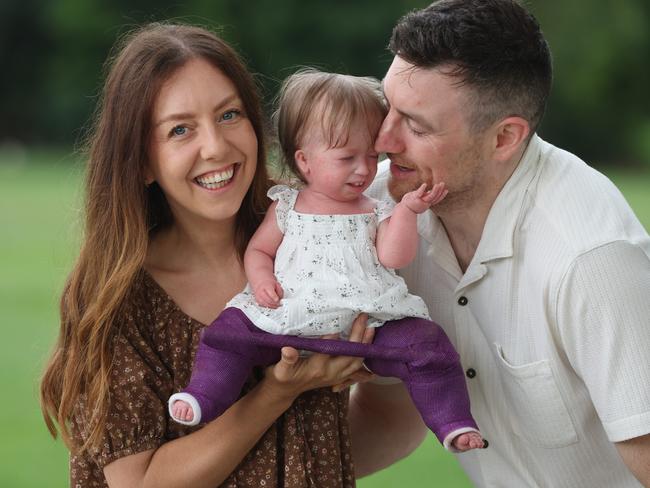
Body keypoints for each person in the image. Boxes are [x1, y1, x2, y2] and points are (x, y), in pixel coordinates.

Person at [38, 23, 420, 488]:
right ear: (141, 161)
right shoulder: (119, 300)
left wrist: (380, 364)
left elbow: (387, 422)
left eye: (229, 115)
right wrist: (276, 393)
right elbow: (138, 483)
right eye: (180, 129)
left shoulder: (315, 235)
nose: (216, 147)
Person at [367, 0, 650, 486]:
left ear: (504, 138)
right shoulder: (382, 205)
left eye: (416, 125)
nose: (382, 140)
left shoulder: (591, 259)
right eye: (386, 106)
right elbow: (392, 404)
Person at [167, 69, 485, 453]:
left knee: (428, 345)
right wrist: (262, 279)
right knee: (227, 335)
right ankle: (202, 395)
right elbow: (259, 250)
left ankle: (453, 422)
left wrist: (407, 212)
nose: (365, 169)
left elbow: (394, 255)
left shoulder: (376, 208)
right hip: (289, 317)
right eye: (347, 157)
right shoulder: (287, 205)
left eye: (372, 156)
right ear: (305, 161)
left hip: (369, 322)